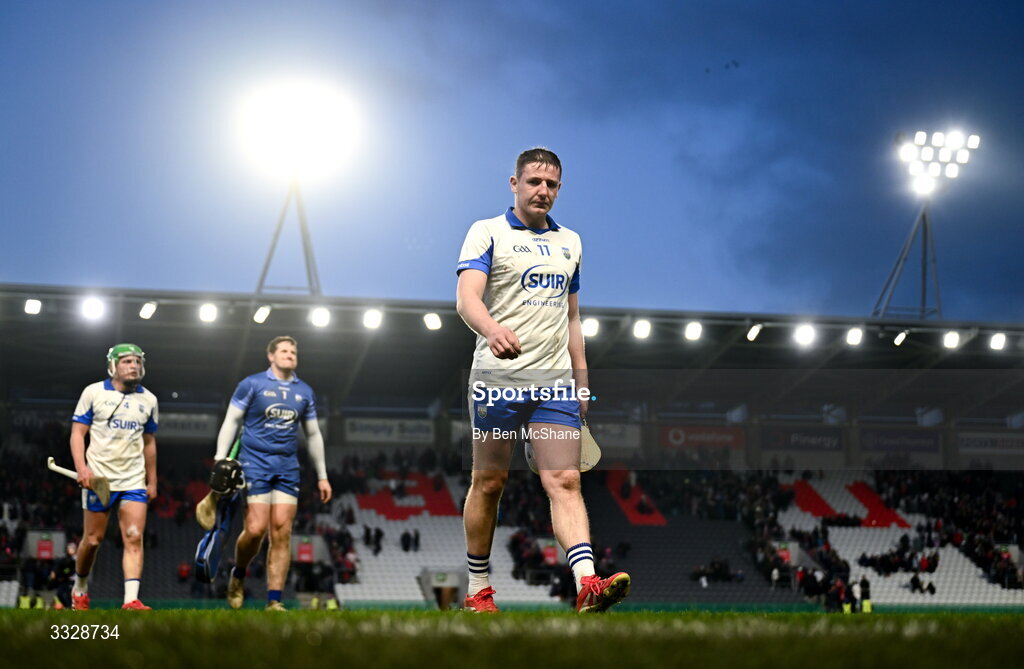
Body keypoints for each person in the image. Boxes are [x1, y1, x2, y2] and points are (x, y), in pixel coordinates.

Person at [455, 147, 630, 613]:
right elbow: (466, 298)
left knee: (565, 480)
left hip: (554, 385)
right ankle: (478, 590)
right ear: (514, 184)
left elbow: (572, 318)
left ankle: (587, 585)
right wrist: (492, 330)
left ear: (560, 189)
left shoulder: (571, 242)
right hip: (497, 381)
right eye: (534, 181)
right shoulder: (486, 232)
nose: (542, 190)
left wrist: (581, 379)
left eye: (551, 184)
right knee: (489, 481)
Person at [214, 336, 331, 611]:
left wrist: (322, 475)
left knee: (282, 531)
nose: (290, 355)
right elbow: (232, 420)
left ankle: (274, 600)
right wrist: (220, 458)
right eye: (284, 351)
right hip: (254, 462)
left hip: (287, 467)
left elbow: (313, 434)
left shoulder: (305, 391)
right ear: (271, 356)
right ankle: (238, 574)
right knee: (255, 530)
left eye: (294, 351)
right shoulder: (252, 384)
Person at [69, 343, 158, 610]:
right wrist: (82, 468)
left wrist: (152, 480)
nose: (134, 366)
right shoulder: (93, 392)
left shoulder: (149, 400)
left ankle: (131, 600)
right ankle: (80, 589)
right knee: (92, 540)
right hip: (100, 479)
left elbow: (149, 442)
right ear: (113, 366)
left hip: (133, 480)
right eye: (127, 361)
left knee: (133, 536)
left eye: (137, 361)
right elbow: (77, 434)